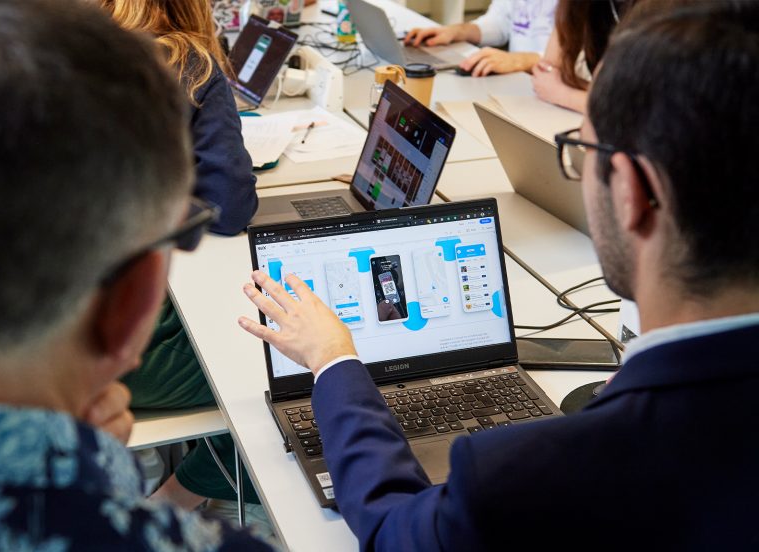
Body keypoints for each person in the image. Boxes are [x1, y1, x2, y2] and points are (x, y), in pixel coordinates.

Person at [239, 2, 759, 549]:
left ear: (630, 190)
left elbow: (396, 531)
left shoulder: (529, 473)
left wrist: (334, 361)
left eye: (581, 151)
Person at [0, 0, 275, 548]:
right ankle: (186, 487)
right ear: (137, 299)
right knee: (278, 348)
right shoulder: (183, 62)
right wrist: (93, 473)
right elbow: (229, 206)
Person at [99, 0, 263, 520]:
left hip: (27, 338)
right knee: (289, 350)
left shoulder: (49, 50)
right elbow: (228, 207)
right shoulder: (187, 61)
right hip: (109, 352)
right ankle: (180, 496)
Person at [531, 0, 641, 112]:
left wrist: (564, 94)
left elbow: (635, 112)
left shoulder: (656, 10)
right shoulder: (585, 4)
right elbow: (546, 74)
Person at [404, 0, 557, 77]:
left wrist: (521, 61)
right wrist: (459, 31)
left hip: (558, 86)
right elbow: (501, 21)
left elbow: (578, 62)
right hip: (521, 80)